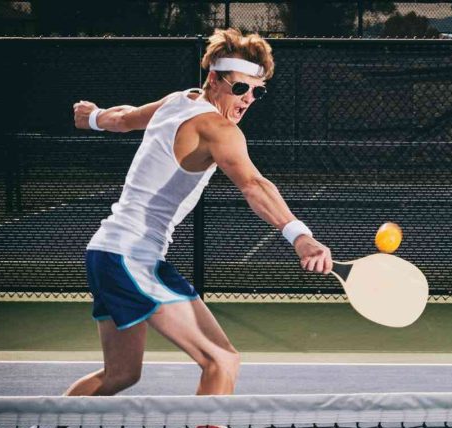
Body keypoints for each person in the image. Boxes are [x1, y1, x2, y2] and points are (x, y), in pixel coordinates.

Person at [68, 28, 333, 397]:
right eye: (240, 88)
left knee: (121, 374)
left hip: (107, 252)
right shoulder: (218, 128)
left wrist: (94, 117)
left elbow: (124, 119)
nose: (248, 99)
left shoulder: (179, 100)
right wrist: (300, 235)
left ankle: (38, 424)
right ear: (214, 79)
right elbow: (254, 185)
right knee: (221, 360)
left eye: (257, 91)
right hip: (130, 256)